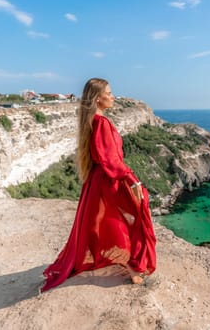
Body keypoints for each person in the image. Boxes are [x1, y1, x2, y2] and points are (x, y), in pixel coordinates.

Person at [41, 78, 156, 292]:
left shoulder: (94, 119)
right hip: (109, 179)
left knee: (103, 222)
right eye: (109, 93)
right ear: (97, 98)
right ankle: (133, 266)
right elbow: (110, 160)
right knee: (133, 216)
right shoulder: (101, 122)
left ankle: (117, 260)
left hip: (98, 180)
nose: (113, 97)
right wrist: (133, 180)